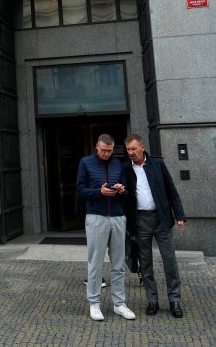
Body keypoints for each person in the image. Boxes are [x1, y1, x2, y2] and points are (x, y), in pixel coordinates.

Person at [123, 134, 187, 318]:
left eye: (134, 149)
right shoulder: (126, 168)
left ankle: (174, 300)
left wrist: (179, 214)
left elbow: (171, 190)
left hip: (161, 218)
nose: (131, 153)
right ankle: (152, 300)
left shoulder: (158, 164)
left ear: (142, 147)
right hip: (140, 220)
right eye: (128, 150)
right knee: (145, 263)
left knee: (170, 261)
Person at [76, 134, 136, 321]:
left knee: (119, 264)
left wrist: (121, 189)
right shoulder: (85, 163)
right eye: (103, 150)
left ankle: (119, 303)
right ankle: (94, 303)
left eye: (109, 151)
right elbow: (80, 190)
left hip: (118, 216)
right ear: (97, 146)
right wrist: (98, 192)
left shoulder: (118, 164)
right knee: (95, 263)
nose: (106, 154)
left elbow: (126, 191)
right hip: (96, 216)